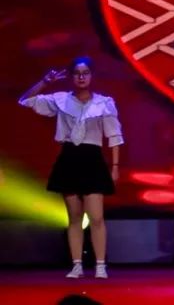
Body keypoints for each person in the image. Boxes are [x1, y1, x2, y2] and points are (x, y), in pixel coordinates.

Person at [19, 57, 124, 279]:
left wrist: (115, 167)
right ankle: (77, 265)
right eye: (77, 73)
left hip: (93, 159)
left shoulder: (104, 103)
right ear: (71, 76)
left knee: (96, 217)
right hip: (69, 158)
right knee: (75, 218)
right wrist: (45, 82)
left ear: (92, 76)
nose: (81, 77)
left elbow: (114, 136)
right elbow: (25, 100)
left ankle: (100, 265)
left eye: (85, 73)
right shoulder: (60, 100)